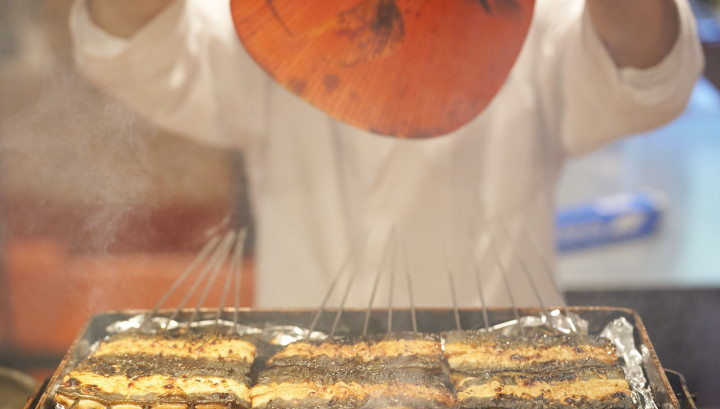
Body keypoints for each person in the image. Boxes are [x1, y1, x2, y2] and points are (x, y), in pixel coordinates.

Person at [68, 0, 703, 310]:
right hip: (305, 398)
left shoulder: (537, 16)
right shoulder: (272, 14)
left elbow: (647, 76)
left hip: (507, 395)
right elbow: (136, 47)